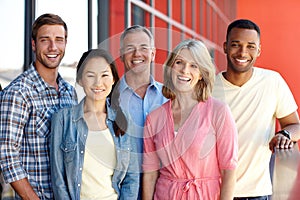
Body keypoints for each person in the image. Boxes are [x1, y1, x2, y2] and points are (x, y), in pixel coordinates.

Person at [212, 19, 300, 199]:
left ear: (259, 50)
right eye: (236, 45)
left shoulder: (272, 81)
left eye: (250, 46)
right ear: (225, 47)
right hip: (213, 191)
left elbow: (295, 126)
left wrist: (285, 135)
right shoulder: (208, 88)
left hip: (257, 193)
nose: (243, 52)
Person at [143, 39, 238, 199]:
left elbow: (229, 171)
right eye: (179, 62)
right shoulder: (154, 118)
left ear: (202, 74)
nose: (184, 70)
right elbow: (150, 173)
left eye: (194, 65)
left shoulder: (219, 112)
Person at [0, 13, 77, 199]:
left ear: (65, 44)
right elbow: (7, 155)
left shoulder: (69, 92)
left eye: (59, 39)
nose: (53, 47)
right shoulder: (18, 92)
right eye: (45, 40)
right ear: (34, 45)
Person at [50, 49, 139, 199]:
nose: (98, 82)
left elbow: (131, 178)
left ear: (113, 79)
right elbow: (58, 179)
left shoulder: (124, 120)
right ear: (80, 80)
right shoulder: (62, 119)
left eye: (104, 75)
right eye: (90, 75)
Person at [119, 25, 167, 196]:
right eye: (130, 48)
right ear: (121, 54)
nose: (137, 54)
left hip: (163, 189)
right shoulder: (109, 99)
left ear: (153, 54)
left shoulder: (170, 97)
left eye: (143, 48)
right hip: (122, 190)